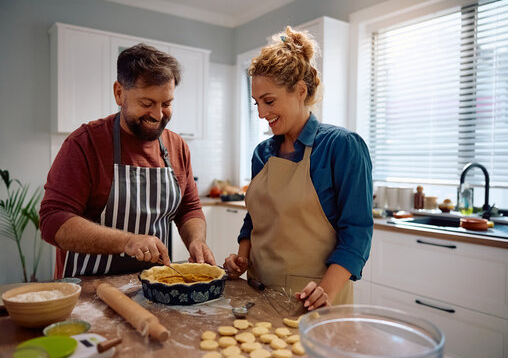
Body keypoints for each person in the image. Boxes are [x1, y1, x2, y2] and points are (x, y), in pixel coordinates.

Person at [224, 27, 373, 311]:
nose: (261, 113)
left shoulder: (341, 146)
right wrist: (241, 258)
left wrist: (325, 291)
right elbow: (255, 219)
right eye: (256, 103)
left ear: (300, 91)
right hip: (258, 295)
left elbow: (357, 232)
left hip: (314, 301)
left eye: (269, 101)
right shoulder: (262, 153)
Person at [40, 44, 215, 279]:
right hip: (89, 289)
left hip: (155, 287)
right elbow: (53, 221)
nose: (158, 115)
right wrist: (127, 241)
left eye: (166, 103)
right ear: (119, 93)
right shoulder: (85, 143)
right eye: (146, 103)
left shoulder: (177, 147)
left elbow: (189, 209)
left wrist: (196, 241)